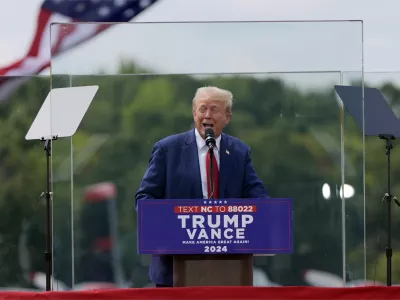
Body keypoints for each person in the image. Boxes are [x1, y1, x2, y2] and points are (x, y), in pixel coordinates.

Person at [135, 86, 269, 287]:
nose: (207, 115)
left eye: (214, 109)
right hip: (174, 269)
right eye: (202, 109)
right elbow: (144, 199)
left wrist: (266, 213)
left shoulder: (240, 152)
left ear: (227, 117)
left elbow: (257, 195)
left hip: (227, 268)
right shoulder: (168, 149)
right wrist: (168, 223)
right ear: (194, 113)